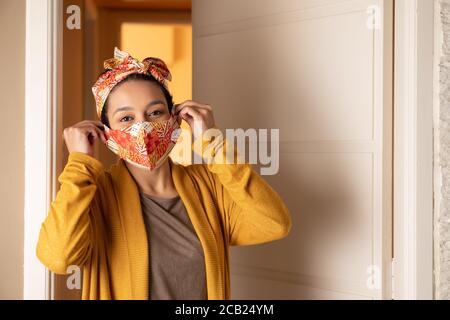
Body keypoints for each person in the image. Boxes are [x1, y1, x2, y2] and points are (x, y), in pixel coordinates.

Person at [36, 47, 292, 300]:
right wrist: (80, 164)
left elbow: (274, 224)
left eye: (155, 112)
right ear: (106, 132)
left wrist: (213, 144)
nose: (143, 127)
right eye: (126, 118)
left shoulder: (208, 187)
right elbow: (58, 257)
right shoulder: (95, 195)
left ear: (175, 118)